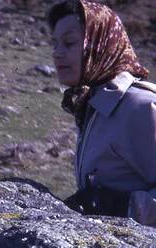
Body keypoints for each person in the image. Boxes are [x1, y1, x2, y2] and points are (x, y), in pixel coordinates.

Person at [48, 0, 156, 225]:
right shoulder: (94, 106)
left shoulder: (139, 108)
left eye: (69, 43)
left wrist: (120, 207)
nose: (57, 53)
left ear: (100, 44)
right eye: (55, 43)